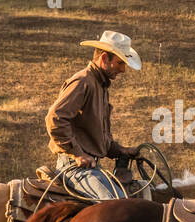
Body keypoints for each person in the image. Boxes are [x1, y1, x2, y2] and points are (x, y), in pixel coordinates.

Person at [45, 30, 149, 201]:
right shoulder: (83, 81)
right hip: (75, 168)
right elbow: (55, 118)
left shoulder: (100, 86)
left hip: (91, 167)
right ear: (104, 59)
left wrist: (119, 150)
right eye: (120, 63)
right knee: (118, 208)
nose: (123, 69)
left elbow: (94, 136)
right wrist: (77, 153)